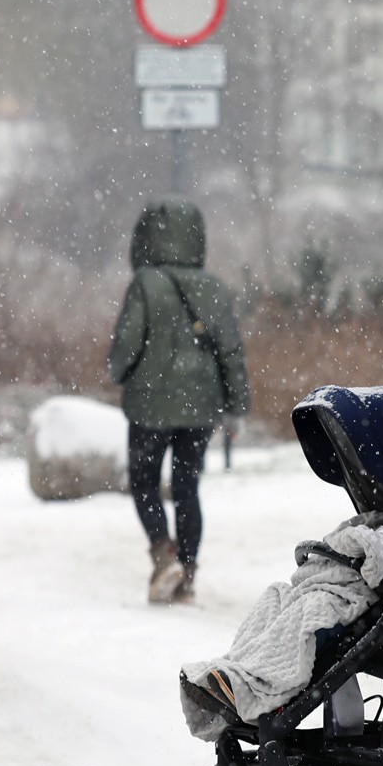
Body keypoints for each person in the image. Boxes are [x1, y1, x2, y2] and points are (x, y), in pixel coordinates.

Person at [108, 197, 250, 604]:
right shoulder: (215, 287)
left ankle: (163, 552)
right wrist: (236, 405)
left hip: (150, 405)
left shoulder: (145, 284)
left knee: (145, 481)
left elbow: (126, 344)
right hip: (201, 407)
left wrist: (118, 373)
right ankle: (187, 570)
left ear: (147, 237)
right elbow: (231, 353)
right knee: (187, 486)